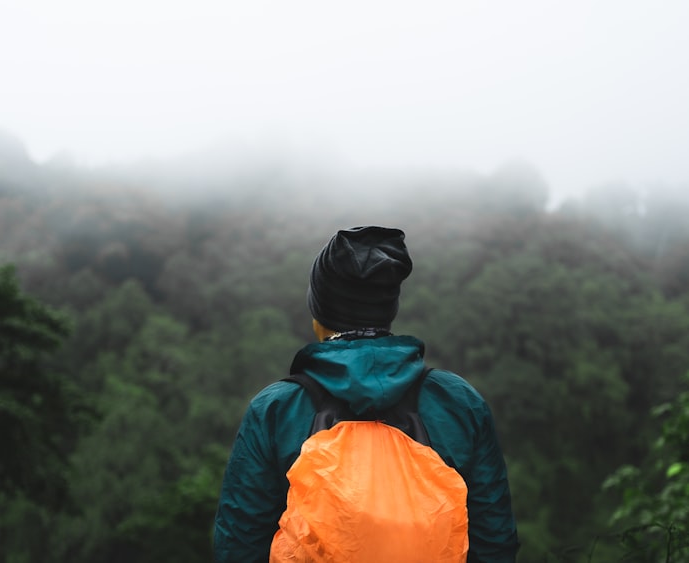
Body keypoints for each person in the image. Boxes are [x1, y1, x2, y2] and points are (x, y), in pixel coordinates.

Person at [213, 226, 519, 562]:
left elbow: (239, 545)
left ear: (320, 315)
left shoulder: (276, 409)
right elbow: (494, 542)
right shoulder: (459, 402)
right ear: (389, 311)